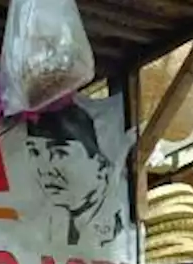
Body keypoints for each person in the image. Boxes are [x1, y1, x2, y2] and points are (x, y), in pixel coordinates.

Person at [24, 104, 126, 251]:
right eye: (35, 152)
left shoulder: (112, 227)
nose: (45, 169)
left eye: (60, 153)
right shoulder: (52, 223)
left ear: (100, 165)